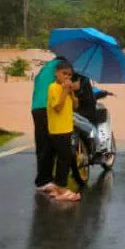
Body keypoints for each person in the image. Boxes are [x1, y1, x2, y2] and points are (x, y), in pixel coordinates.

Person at [43, 60, 85, 201]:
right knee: (64, 158)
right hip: (58, 130)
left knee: (64, 157)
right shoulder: (53, 87)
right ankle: (62, 189)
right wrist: (65, 90)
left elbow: (75, 106)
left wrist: (72, 93)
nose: (67, 77)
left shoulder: (66, 88)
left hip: (67, 128)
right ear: (57, 73)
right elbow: (57, 107)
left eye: (69, 75)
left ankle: (58, 186)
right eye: (64, 74)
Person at [31, 57, 64, 189]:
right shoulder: (63, 66)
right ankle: (46, 180)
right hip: (48, 107)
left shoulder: (47, 66)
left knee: (42, 144)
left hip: (36, 107)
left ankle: (42, 179)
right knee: (51, 144)